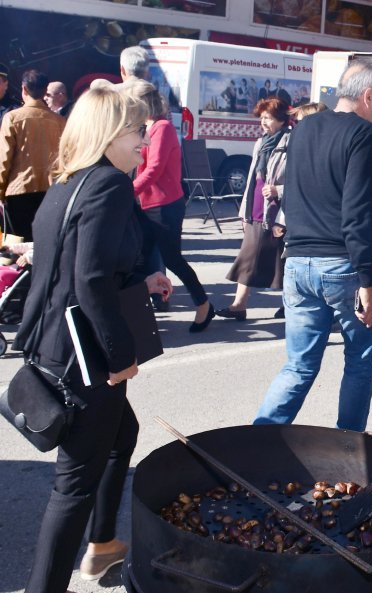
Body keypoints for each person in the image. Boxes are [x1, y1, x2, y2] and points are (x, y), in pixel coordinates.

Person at [13, 84, 173, 593]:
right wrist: (120, 358)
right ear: (109, 133)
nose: (144, 142)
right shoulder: (107, 185)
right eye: (136, 131)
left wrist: (140, 278)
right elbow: (89, 280)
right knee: (72, 487)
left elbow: (68, 265)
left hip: (54, 345)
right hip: (85, 358)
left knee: (121, 434)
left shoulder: (68, 182)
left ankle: (103, 544)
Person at [253, 59, 372, 431]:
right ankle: (348, 450)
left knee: (298, 365)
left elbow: (295, 191)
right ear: (368, 96)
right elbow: (359, 214)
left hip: (297, 260)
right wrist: (368, 282)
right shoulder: (363, 134)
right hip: (342, 264)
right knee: (359, 362)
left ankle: (256, 445)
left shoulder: (305, 127)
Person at [128, 80, 215, 332]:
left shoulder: (162, 127)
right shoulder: (147, 127)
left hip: (164, 205)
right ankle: (139, 315)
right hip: (147, 204)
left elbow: (154, 168)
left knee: (172, 260)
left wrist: (129, 190)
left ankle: (203, 305)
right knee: (140, 262)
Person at [216, 97, 291, 321]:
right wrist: (244, 210)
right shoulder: (262, 142)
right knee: (255, 253)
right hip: (257, 206)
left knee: (279, 258)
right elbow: (251, 178)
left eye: (268, 118)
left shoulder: (291, 142)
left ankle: (243, 304)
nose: (264, 122)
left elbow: (300, 179)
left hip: (277, 210)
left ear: (280, 119)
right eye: (262, 118)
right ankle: (240, 304)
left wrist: (279, 189)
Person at [0, 69, 66, 242]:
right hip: (51, 192)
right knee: (46, 243)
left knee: (20, 247)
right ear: (45, 92)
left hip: (18, 192)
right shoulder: (60, 121)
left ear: (23, 89)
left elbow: (3, 160)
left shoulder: (12, 118)